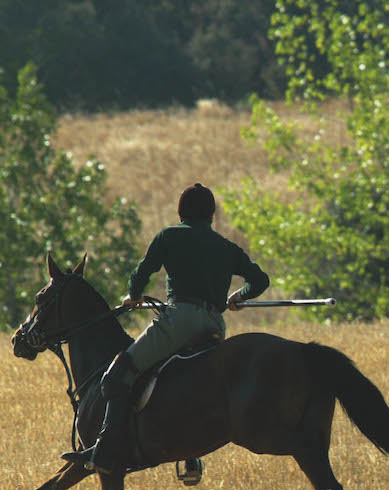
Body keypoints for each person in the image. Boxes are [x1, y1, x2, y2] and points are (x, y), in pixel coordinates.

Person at [65, 183, 270, 474]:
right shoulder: (227, 247)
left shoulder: (170, 236)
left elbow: (142, 272)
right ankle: (191, 458)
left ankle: (105, 449)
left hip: (179, 321)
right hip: (214, 325)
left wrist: (133, 296)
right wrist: (239, 297)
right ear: (211, 215)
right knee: (187, 381)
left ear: (181, 211)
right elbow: (260, 281)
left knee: (118, 373)